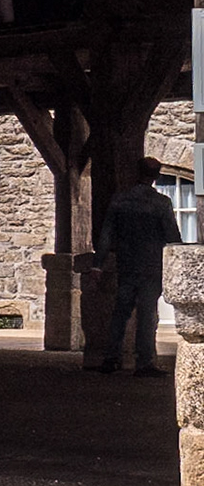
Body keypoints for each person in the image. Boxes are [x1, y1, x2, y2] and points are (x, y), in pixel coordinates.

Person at [97, 156, 183, 376]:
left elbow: (106, 234)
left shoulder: (120, 200)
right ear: (156, 176)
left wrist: (98, 263)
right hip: (152, 266)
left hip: (126, 263)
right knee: (147, 315)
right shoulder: (161, 203)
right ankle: (143, 362)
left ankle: (110, 358)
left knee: (120, 312)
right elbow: (172, 236)